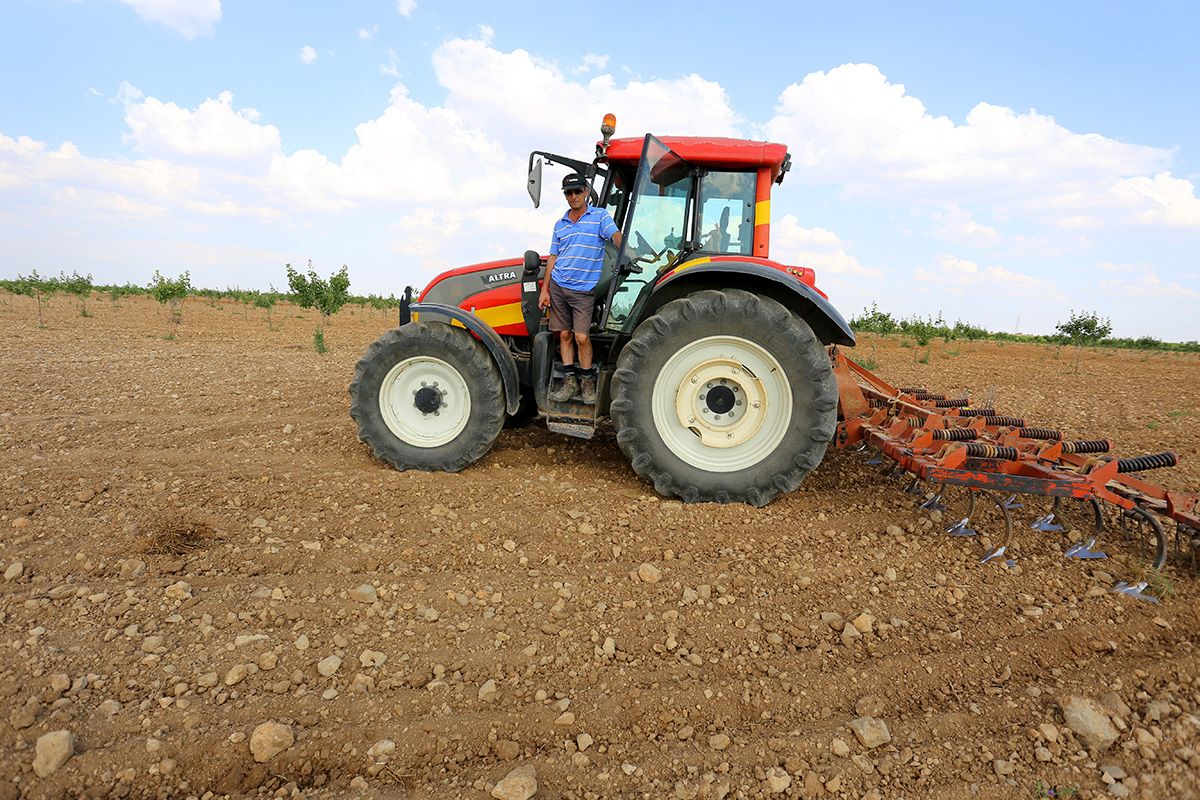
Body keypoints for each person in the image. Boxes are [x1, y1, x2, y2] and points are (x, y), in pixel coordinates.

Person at [539, 172, 622, 404]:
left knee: (582, 337)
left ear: (586, 192)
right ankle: (570, 382)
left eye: (578, 191)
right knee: (564, 334)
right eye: (569, 193)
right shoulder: (560, 224)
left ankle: (587, 384)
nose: (574, 196)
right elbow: (553, 258)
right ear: (565, 196)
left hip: (583, 289)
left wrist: (623, 246)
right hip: (558, 285)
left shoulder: (599, 217)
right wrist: (545, 289)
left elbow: (614, 234)